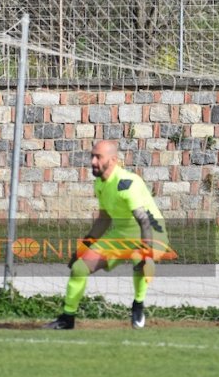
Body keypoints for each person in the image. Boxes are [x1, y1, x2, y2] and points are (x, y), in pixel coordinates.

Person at [43, 139, 172, 330]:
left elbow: (144, 221)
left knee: (140, 260)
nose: (93, 161)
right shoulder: (100, 183)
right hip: (120, 235)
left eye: (98, 157)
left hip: (151, 233)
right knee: (79, 268)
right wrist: (82, 250)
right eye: (92, 156)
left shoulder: (126, 184)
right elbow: (104, 219)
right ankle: (67, 318)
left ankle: (138, 305)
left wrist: (147, 253)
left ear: (112, 160)